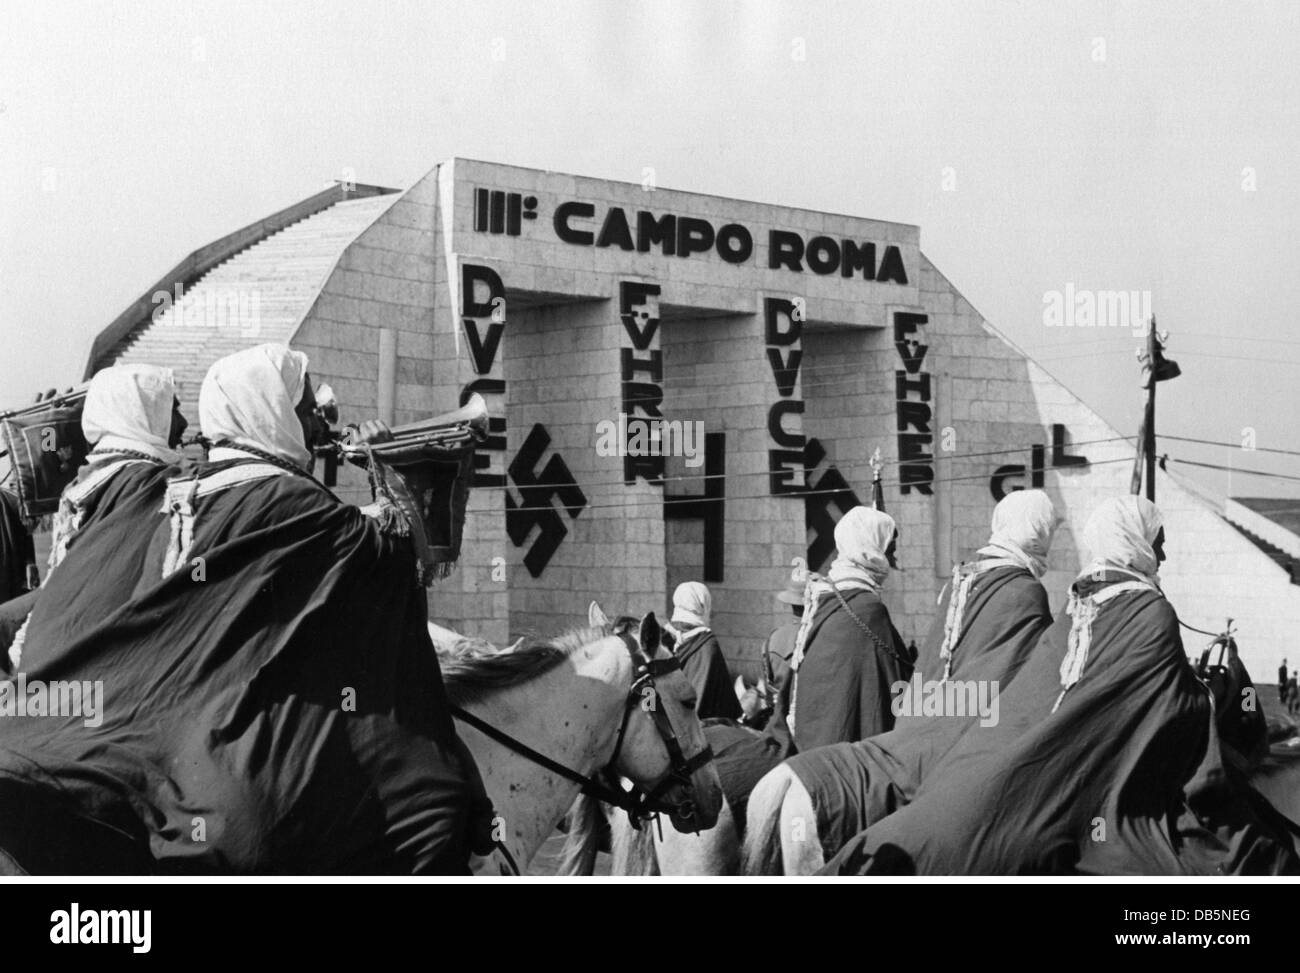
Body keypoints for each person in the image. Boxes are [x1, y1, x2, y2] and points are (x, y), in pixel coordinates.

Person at [0, 343, 492, 874]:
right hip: (252, 769)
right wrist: (388, 465)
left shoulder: (183, 497)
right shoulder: (303, 511)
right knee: (434, 800)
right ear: (269, 411)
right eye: (303, 408)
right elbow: (399, 553)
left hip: (165, 741)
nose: (315, 420)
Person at [825, 495, 1297, 875]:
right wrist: (1209, 699)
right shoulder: (1148, 610)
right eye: (1159, 542)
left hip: (961, 728)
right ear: (1136, 541)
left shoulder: (1072, 601)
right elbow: (1173, 709)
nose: (1165, 554)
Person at [771, 489, 1058, 861]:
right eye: (890, 547)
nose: (894, 556)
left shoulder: (959, 580)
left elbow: (928, 671)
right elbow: (1019, 681)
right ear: (1037, 531)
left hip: (810, 737)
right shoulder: (1023, 590)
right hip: (870, 731)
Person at [0, 363, 187, 670]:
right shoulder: (158, 485)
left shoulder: (89, 481)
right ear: (141, 413)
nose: (182, 422)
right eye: (171, 409)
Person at [788, 506, 911, 751]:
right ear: (874, 549)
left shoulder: (825, 598)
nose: (895, 561)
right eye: (890, 551)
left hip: (813, 744)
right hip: (849, 753)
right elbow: (895, 683)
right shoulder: (867, 608)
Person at [666, 581, 741, 721]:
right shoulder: (707, 645)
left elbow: (649, 693)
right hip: (697, 731)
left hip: (663, 726)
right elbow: (701, 701)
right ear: (703, 605)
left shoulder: (661, 637)